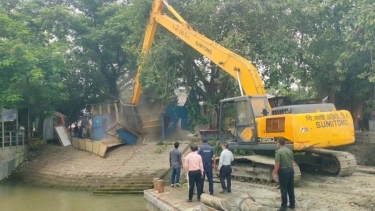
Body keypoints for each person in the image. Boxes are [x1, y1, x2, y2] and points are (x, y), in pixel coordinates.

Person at [272, 138, 295, 211]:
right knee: (291, 188)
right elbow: (292, 163)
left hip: (283, 171)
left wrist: (275, 173)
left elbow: (277, 164)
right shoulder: (289, 151)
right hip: (290, 170)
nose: (276, 144)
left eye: (277, 143)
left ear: (279, 143)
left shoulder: (278, 152)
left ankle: (284, 207)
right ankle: (292, 205)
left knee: (284, 189)